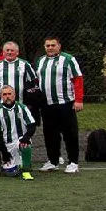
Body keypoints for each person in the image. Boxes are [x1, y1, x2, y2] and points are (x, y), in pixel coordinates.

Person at [35, 36, 83, 174]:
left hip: (65, 103)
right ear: (44, 47)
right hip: (47, 104)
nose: (50, 47)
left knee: (70, 133)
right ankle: (53, 161)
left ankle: (73, 162)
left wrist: (78, 100)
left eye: (53, 45)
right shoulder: (41, 61)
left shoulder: (68, 59)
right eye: (48, 45)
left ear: (59, 46)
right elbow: (38, 80)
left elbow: (78, 79)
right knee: (50, 134)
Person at [0, 85, 37, 180]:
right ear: (1, 96)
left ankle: (26, 171)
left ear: (14, 95)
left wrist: (26, 138)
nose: (7, 96)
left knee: (26, 144)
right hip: (6, 145)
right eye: (4, 94)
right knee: (11, 173)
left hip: (19, 142)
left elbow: (32, 125)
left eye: (9, 94)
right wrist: (4, 153)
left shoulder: (22, 108)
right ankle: (17, 162)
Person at [0, 41, 39, 118]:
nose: (9, 52)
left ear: (17, 52)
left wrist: (31, 103)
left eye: (12, 50)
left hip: (21, 104)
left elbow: (33, 84)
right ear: (3, 52)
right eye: (7, 50)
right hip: (2, 104)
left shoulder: (25, 65)